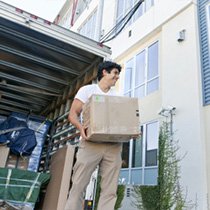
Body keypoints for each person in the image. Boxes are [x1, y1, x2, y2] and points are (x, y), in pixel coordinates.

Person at [64, 61, 122, 210]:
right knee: (78, 185)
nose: (117, 77)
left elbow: (121, 121)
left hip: (113, 146)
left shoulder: (117, 96)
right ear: (104, 72)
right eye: (115, 73)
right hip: (90, 142)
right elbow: (72, 114)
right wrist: (80, 128)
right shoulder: (88, 90)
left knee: (110, 190)